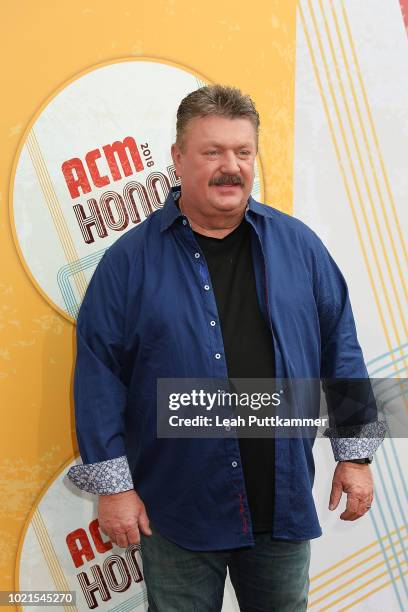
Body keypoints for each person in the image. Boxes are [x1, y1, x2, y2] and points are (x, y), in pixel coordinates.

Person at [67, 85, 385, 611]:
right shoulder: (129, 263)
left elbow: (340, 349)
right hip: (176, 513)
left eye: (243, 151)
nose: (230, 167)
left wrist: (355, 455)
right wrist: (114, 486)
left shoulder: (300, 247)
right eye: (212, 151)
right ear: (176, 159)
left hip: (280, 508)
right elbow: (99, 375)